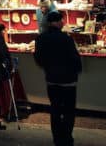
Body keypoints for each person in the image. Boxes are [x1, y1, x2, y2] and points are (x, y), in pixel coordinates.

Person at [34, 11, 82, 146]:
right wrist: (77, 70)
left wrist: (48, 68)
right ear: (56, 22)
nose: (63, 22)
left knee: (55, 109)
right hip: (68, 80)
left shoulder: (41, 38)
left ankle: (57, 138)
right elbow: (74, 58)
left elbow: (38, 58)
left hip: (51, 79)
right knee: (68, 110)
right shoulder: (66, 39)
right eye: (62, 20)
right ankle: (66, 138)